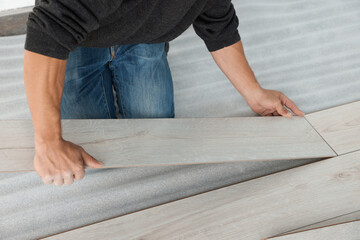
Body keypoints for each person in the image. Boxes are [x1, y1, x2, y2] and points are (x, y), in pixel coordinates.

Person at [23, 0, 304, 186]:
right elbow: (47, 33)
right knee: (91, 144)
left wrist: (253, 92)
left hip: (145, 34)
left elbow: (217, 21)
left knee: (154, 127)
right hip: (78, 38)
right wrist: (47, 141)